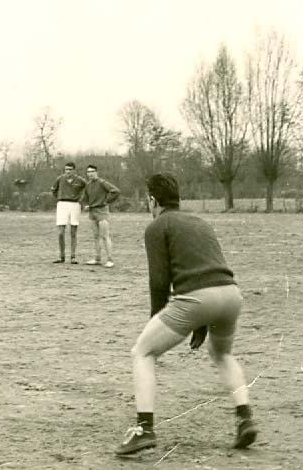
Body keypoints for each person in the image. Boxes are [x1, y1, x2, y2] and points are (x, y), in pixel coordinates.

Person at [115, 173, 257, 456]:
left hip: (198, 298)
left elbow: (159, 282)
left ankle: (144, 428)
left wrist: (156, 319)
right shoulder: (200, 222)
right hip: (230, 295)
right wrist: (201, 321)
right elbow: (210, 268)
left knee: (142, 352)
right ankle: (245, 418)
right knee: (222, 355)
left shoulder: (157, 226)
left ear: (152, 200)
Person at [82, 164, 121, 268]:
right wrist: (87, 205)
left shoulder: (102, 182)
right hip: (92, 212)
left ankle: (110, 259)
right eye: (88, 172)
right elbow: (85, 198)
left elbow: (116, 191)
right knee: (95, 236)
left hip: (102, 211)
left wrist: (106, 201)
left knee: (105, 236)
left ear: (96, 172)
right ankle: (97, 258)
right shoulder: (88, 185)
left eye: (92, 171)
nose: (90, 174)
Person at [50, 162, 86, 264]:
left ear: (74, 170)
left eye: (70, 169)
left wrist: (81, 198)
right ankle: (62, 256)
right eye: (66, 169)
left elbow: (87, 188)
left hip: (75, 205)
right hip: (62, 204)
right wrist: (59, 197)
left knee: (73, 232)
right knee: (61, 232)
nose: (68, 171)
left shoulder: (80, 180)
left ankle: (73, 257)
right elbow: (53, 190)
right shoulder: (60, 179)